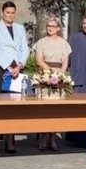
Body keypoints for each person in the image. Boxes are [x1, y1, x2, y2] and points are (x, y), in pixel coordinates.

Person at [0, 1, 29, 154]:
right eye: (7, 12)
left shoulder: (20, 28)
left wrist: (19, 65)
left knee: (13, 105)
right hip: (2, 68)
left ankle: (10, 139)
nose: (10, 15)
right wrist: (8, 66)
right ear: (2, 13)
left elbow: (25, 48)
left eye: (12, 13)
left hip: (17, 68)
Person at [32, 17, 71, 151]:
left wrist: (61, 75)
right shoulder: (41, 42)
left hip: (58, 76)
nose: (50, 28)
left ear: (58, 28)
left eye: (53, 26)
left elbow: (65, 61)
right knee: (43, 109)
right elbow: (38, 60)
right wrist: (49, 72)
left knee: (56, 109)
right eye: (48, 26)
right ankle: (43, 138)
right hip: (45, 75)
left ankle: (52, 138)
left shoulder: (64, 43)